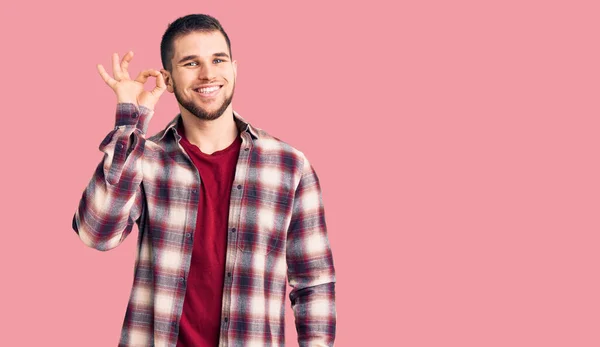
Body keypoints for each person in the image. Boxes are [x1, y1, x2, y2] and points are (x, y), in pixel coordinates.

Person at [71, 13, 336, 347]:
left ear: (234, 68)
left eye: (218, 59)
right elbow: (97, 233)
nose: (209, 73)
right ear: (167, 79)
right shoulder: (147, 158)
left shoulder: (289, 166)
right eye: (191, 63)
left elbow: (314, 282)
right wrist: (131, 120)